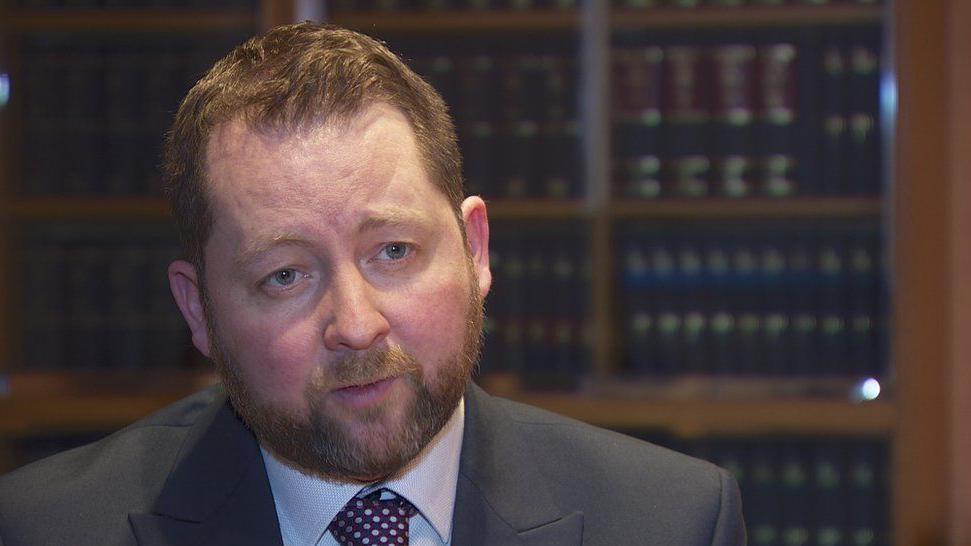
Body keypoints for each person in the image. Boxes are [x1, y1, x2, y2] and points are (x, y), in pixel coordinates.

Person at [0, 23, 744, 545]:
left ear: (474, 248)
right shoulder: (47, 528)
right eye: (284, 275)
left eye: (392, 251)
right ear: (198, 310)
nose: (356, 325)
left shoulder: (670, 521)